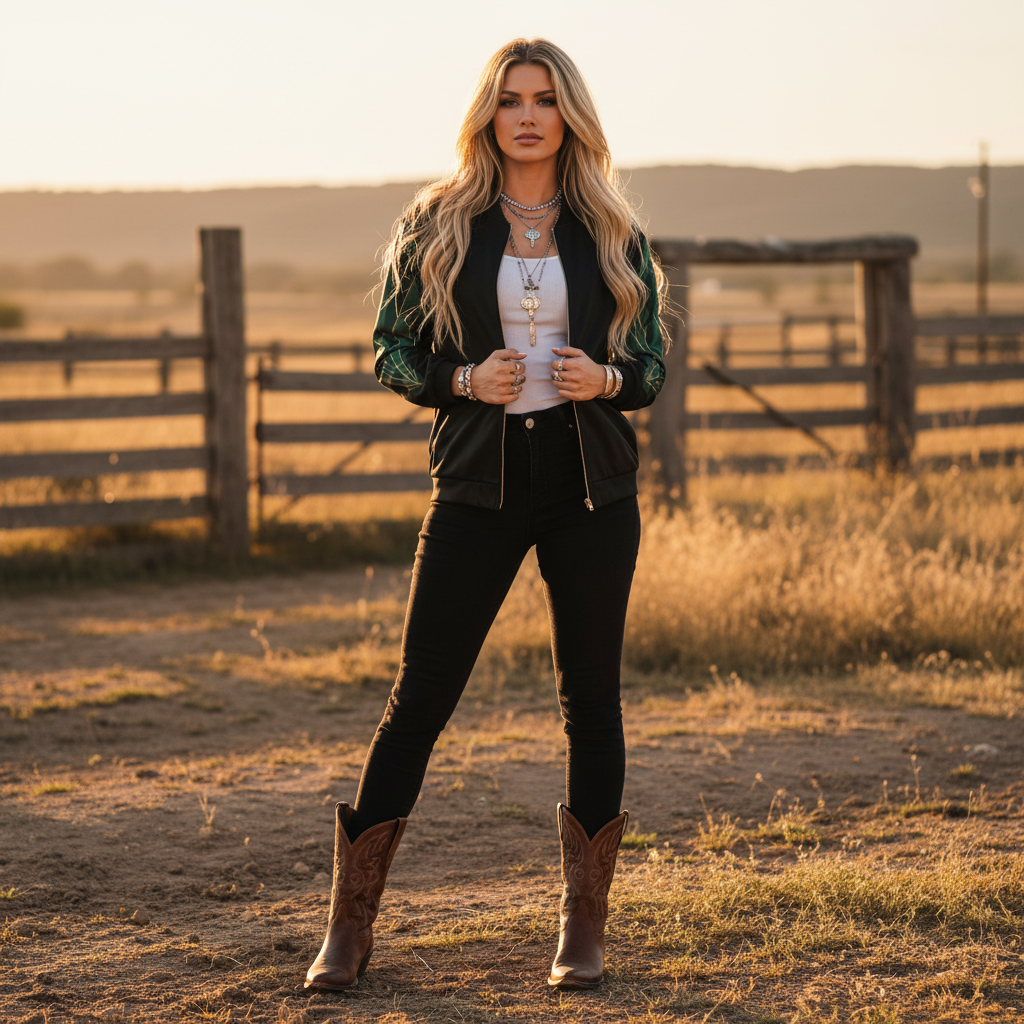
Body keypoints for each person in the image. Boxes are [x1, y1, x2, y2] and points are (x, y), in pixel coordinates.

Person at [305, 37, 667, 993]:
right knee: (418, 699)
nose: (528, 115)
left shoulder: (612, 228)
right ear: (489, 114)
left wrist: (610, 377)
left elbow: (656, 365)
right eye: (510, 99)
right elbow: (391, 349)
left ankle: (582, 929)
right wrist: (462, 378)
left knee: (591, 701)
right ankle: (348, 929)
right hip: (477, 486)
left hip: (590, 488)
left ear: (569, 114)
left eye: (545, 99)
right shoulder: (439, 221)